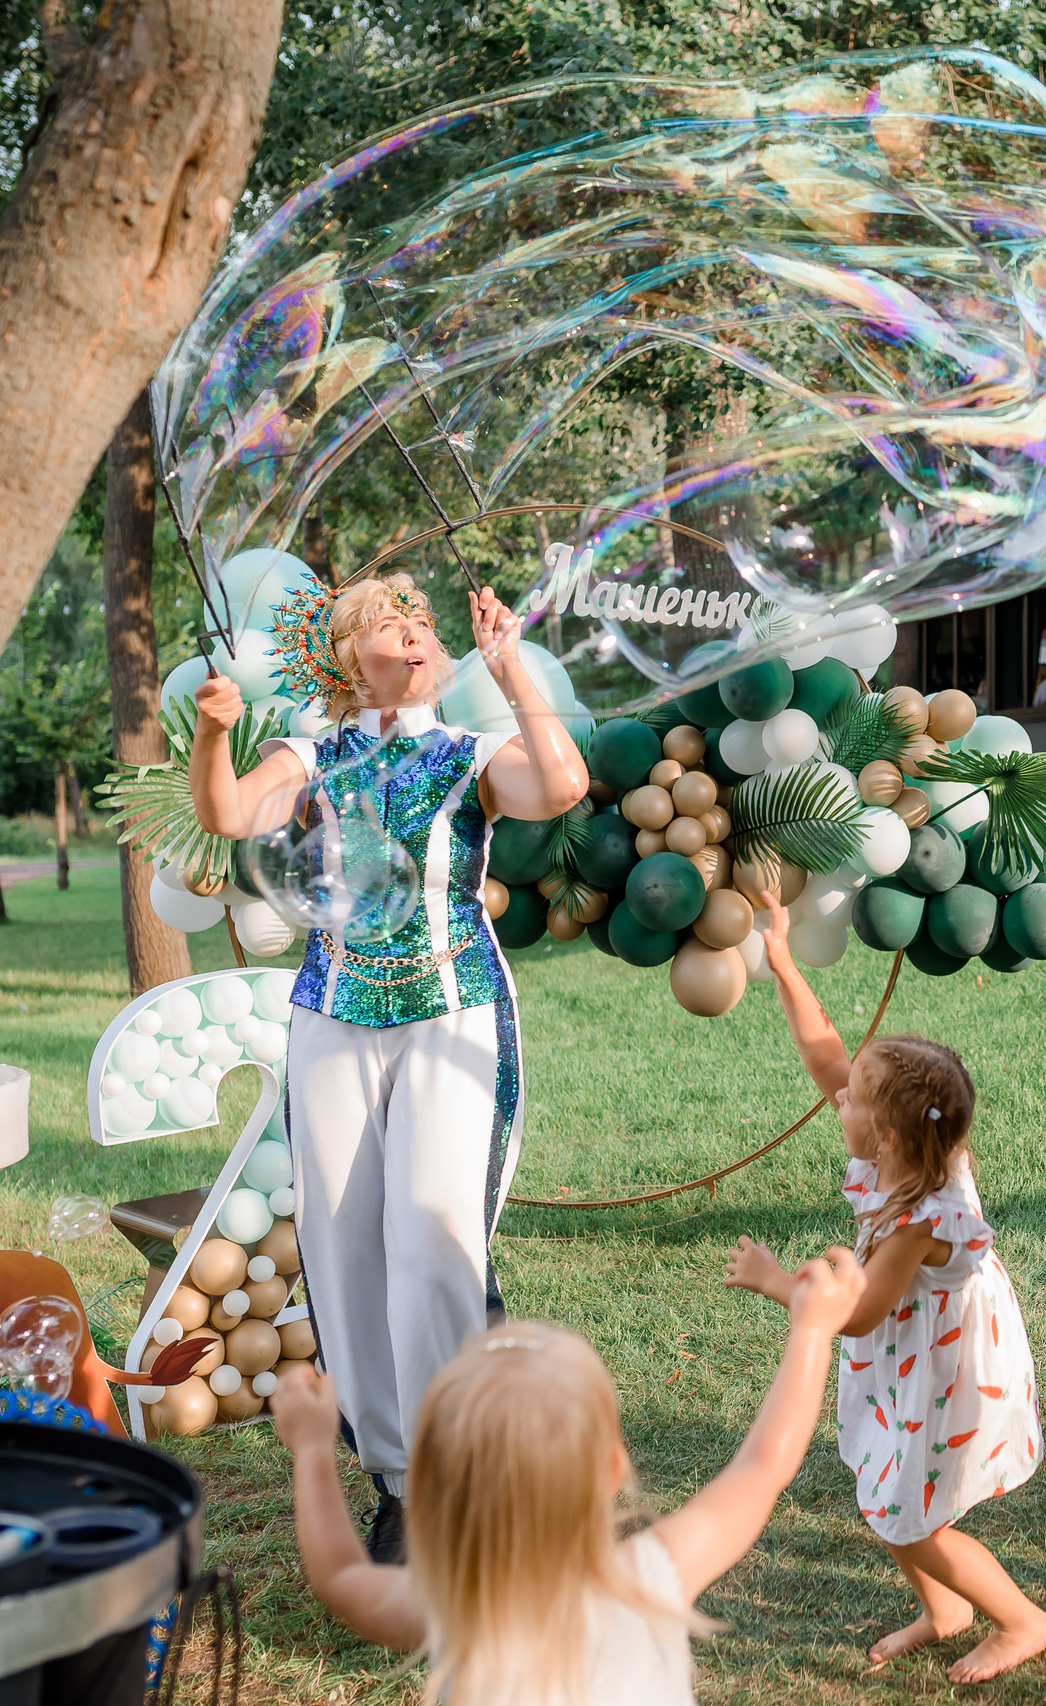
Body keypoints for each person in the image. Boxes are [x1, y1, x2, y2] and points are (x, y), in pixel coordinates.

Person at [192, 572, 587, 1561]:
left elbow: (565, 785)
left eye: (418, 620)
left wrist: (510, 669)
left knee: (431, 1238)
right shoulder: (314, 753)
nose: (412, 634)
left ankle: (463, 1468)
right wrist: (212, 732)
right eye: (383, 626)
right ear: (343, 660)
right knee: (343, 1248)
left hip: (449, 1012)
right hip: (332, 1012)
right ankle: (401, 1483)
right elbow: (232, 812)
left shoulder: (469, 751)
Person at [271, 1248, 866, 1706]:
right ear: (613, 1469)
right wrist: (812, 1331)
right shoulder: (651, 1579)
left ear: (428, 1486)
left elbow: (342, 1575)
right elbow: (762, 1469)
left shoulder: (449, 1607)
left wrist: (313, 1449)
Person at [722, 897, 1046, 1685]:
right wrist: (783, 961)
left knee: (908, 1518)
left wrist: (779, 1282)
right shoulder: (910, 1153)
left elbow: (863, 1310)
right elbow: (826, 1056)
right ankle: (945, 1612)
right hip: (917, 1360)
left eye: (854, 1100)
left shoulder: (919, 1218)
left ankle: (1021, 1619)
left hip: (942, 1371)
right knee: (893, 1496)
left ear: (889, 1135)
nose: (838, 1097)